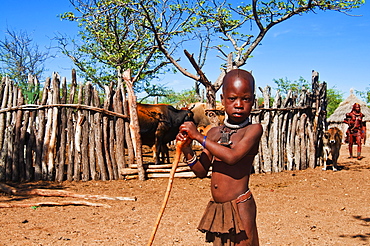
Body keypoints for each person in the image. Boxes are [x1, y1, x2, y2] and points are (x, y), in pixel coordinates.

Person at [176, 69, 262, 246]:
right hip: (218, 209)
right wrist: (187, 150)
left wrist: (199, 137)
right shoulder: (215, 133)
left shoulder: (253, 130)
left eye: (245, 99)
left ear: (253, 101)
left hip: (240, 206)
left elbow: (232, 157)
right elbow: (201, 171)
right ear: (222, 100)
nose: (238, 104)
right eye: (232, 98)